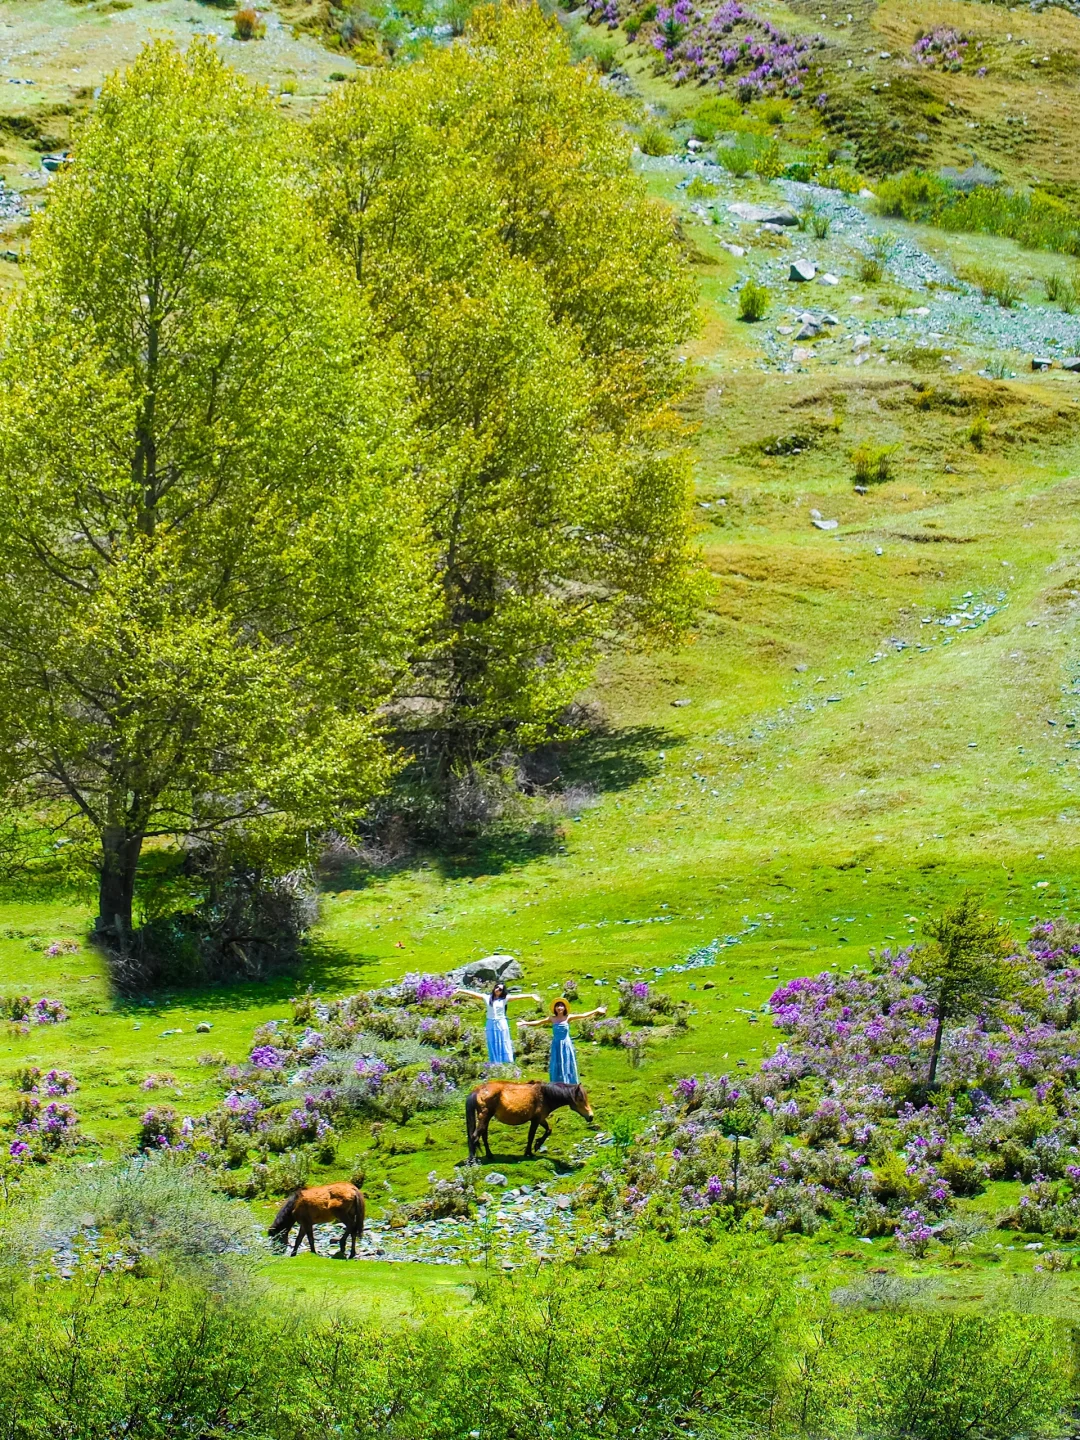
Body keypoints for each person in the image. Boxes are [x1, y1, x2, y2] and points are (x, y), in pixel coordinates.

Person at [522, 998, 606, 1084]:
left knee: (567, 1062)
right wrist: (525, 1023)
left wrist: (596, 1010)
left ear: (565, 1008)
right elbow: (539, 1022)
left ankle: (570, 1082)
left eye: (561, 1006)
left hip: (566, 1044)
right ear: (555, 1008)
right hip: (556, 1044)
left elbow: (583, 1015)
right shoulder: (552, 1018)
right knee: (556, 1062)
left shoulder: (568, 1017)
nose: (559, 1008)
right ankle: (557, 1082)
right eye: (557, 1006)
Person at [454, 982, 541, 1065]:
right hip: (490, 1022)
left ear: (502, 992)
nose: (497, 990)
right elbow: (473, 994)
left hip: (501, 1022)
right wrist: (460, 990)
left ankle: (507, 1060)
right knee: (492, 1041)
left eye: (500, 989)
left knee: (503, 1039)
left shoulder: (504, 999)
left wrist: (531, 995)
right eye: (496, 987)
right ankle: (495, 1060)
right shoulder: (487, 998)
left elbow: (518, 996)